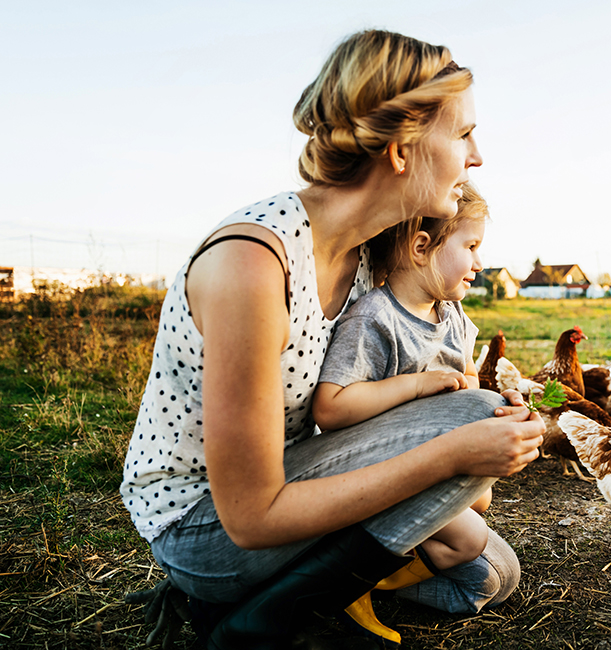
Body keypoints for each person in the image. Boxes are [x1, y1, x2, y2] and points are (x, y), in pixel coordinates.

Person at [119, 29, 544, 650]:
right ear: (401, 148)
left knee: (488, 575)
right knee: (473, 422)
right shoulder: (254, 264)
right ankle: (248, 626)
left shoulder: (368, 260)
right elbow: (249, 516)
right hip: (205, 527)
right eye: (462, 133)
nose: (476, 155)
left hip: (291, 482)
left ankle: (295, 598)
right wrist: (453, 457)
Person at [314, 182, 493, 642]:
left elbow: (470, 380)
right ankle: (348, 586)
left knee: (481, 514)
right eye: (471, 246)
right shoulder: (374, 319)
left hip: (427, 465)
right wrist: (415, 386)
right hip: (377, 472)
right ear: (420, 247)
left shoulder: (454, 318)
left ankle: (370, 582)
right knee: (469, 541)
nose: (479, 262)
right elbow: (331, 406)